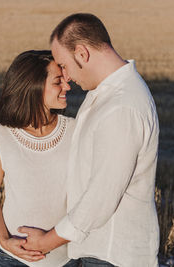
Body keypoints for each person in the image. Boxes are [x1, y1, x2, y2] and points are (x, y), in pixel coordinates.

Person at [18, 13, 160, 267]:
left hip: (112, 254)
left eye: (63, 64)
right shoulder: (105, 94)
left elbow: (101, 197)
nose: (66, 76)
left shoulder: (122, 106)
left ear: (82, 54)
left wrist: (46, 242)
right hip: (99, 251)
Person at [0, 50, 79, 267]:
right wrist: (5, 241)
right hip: (12, 260)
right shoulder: (1, 136)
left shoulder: (76, 131)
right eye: (58, 82)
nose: (67, 86)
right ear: (34, 87)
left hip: (65, 260)